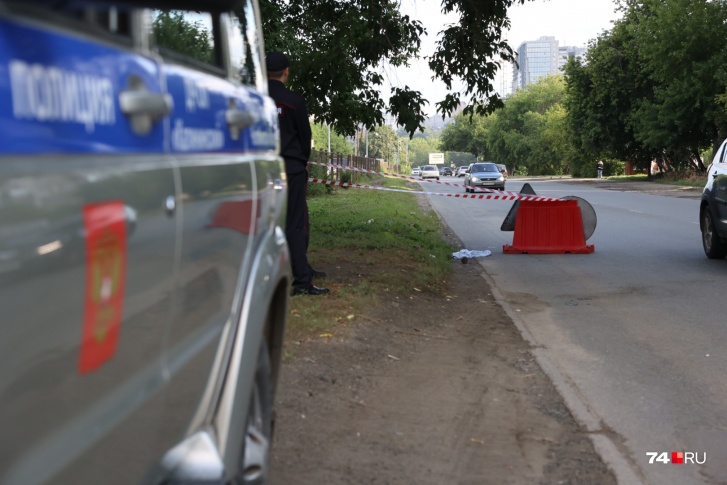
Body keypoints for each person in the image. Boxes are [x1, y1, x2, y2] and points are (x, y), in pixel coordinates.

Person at [266, 51, 329, 296]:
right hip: (290, 170)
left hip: (261, 171)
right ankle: (302, 281)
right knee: (295, 224)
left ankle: (269, 277)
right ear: (286, 72)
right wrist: (300, 161)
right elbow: (305, 138)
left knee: (264, 224)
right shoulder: (294, 101)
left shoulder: (253, 100)